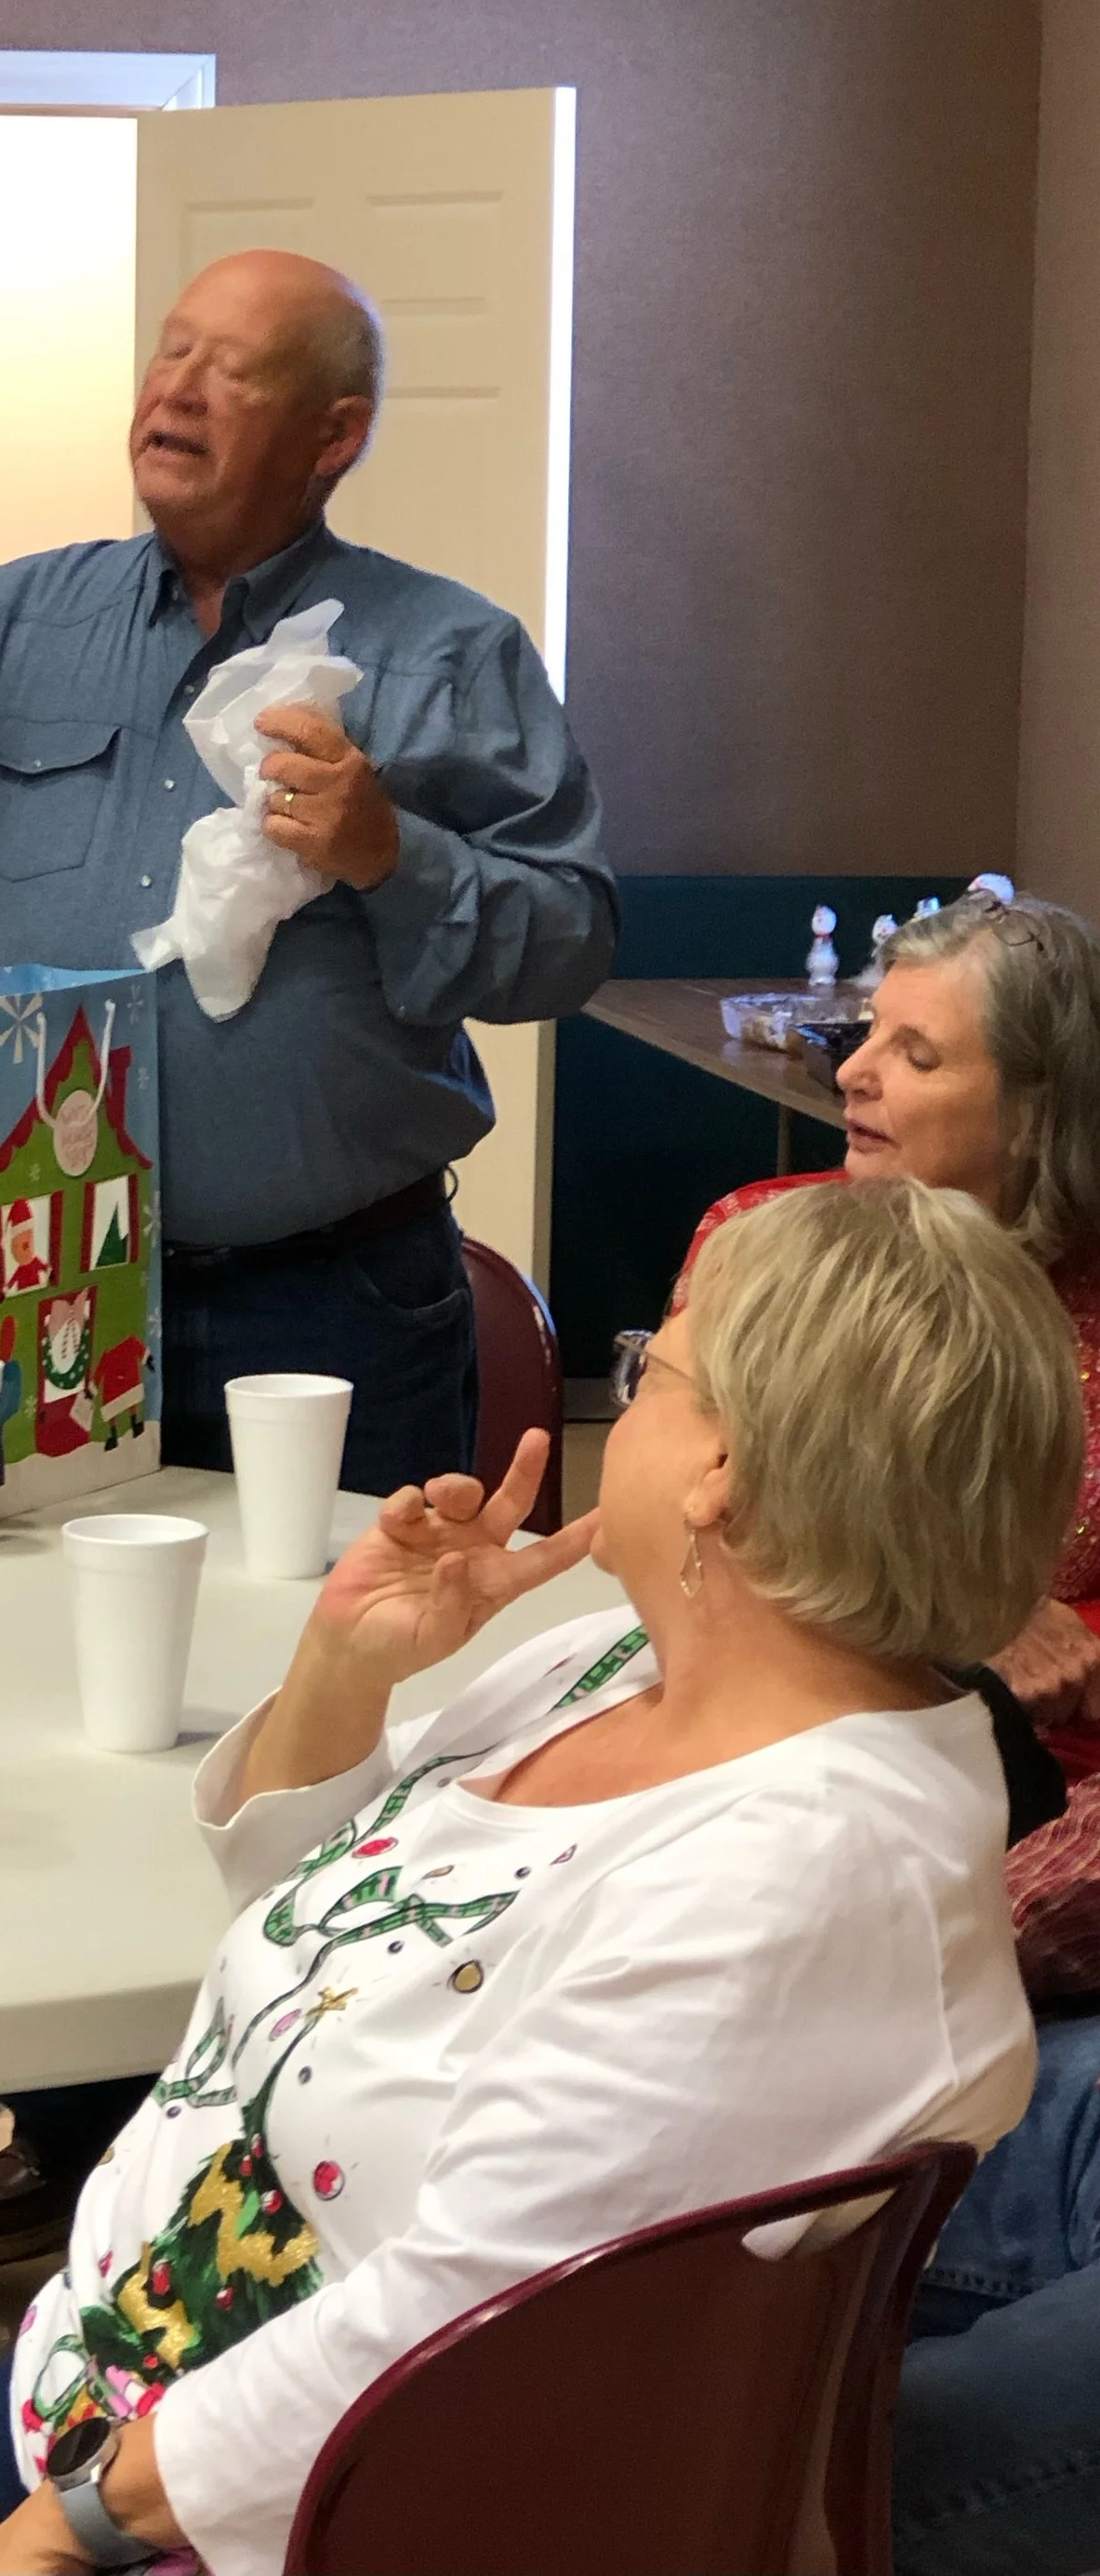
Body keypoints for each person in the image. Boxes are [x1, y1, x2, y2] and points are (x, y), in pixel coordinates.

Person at [0, 1178, 1080, 2576]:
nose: (619, 1399)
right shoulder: (621, 1663)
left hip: (297, 2501)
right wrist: (347, 1669)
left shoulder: (800, 1873)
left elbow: (467, 2322)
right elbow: (312, 1911)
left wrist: (76, 2530)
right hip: (135, 2368)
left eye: (655, 1370)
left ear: (722, 1474)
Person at [0, 247, 617, 2266]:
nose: (169, 392)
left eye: (230, 370)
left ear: (330, 432)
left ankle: (305, 2163)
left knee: (334, 1719)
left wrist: (388, 848)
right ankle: (75, 2146)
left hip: (331, 1295)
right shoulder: (16, 617)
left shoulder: (442, 656)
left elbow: (567, 940)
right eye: (163, 354)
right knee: (45, 1707)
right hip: (34, 1288)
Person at [676, 887, 1100, 2576]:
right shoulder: (768, 1248)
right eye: (867, 1032)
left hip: (1016, 1947)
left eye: (914, 1053)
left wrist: (968, 1939)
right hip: (780, 1900)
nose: (854, 1070)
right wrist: (956, 1599)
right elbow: (701, 1565)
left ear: (1042, 1112)